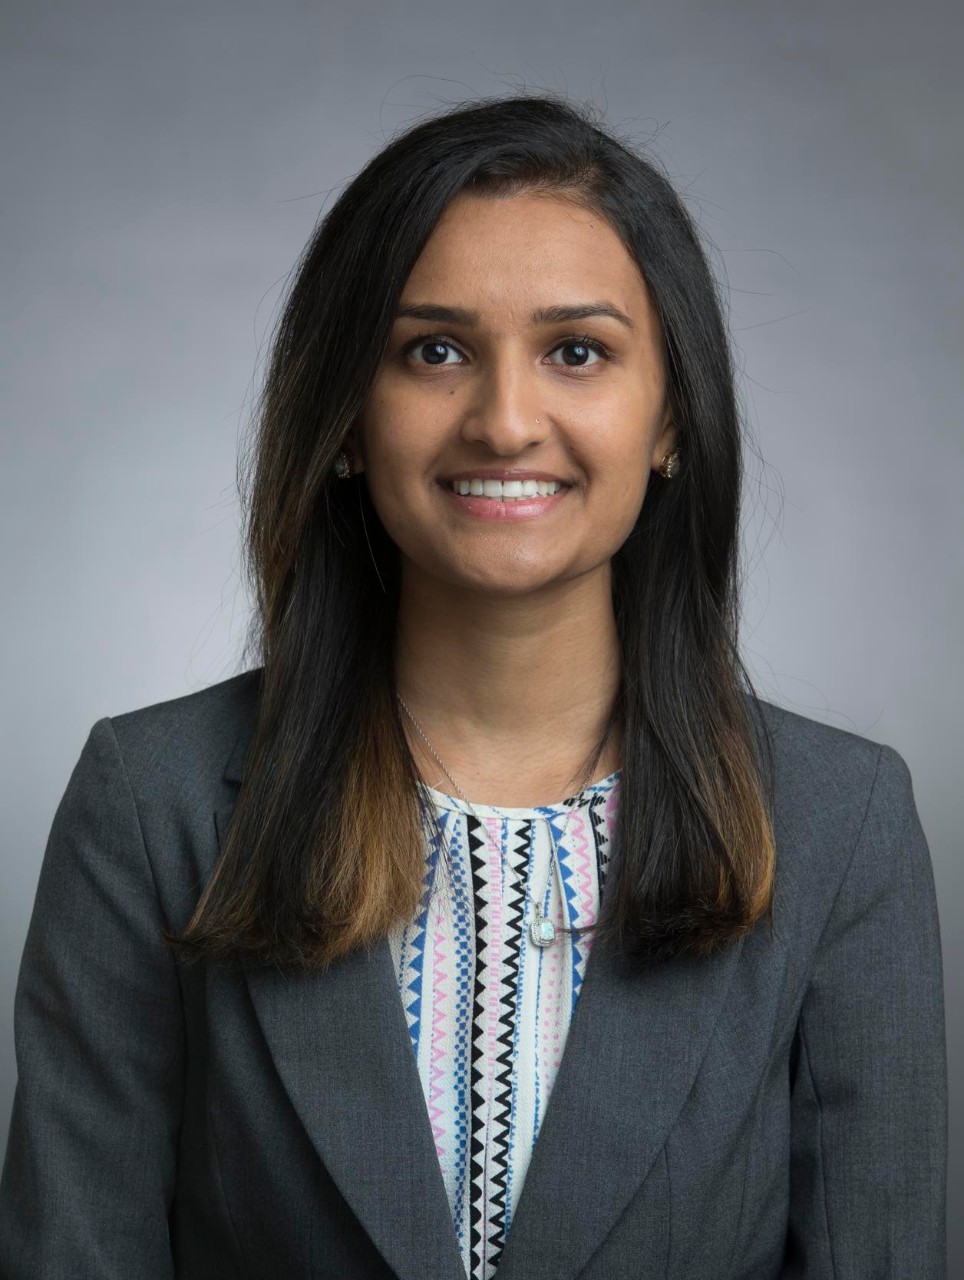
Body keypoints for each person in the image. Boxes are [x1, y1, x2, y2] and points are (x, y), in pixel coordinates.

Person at [0, 93, 947, 1280]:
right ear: (348, 416)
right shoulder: (154, 804)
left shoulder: (839, 825)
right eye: (432, 350)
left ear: (670, 420)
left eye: (577, 351)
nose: (505, 420)